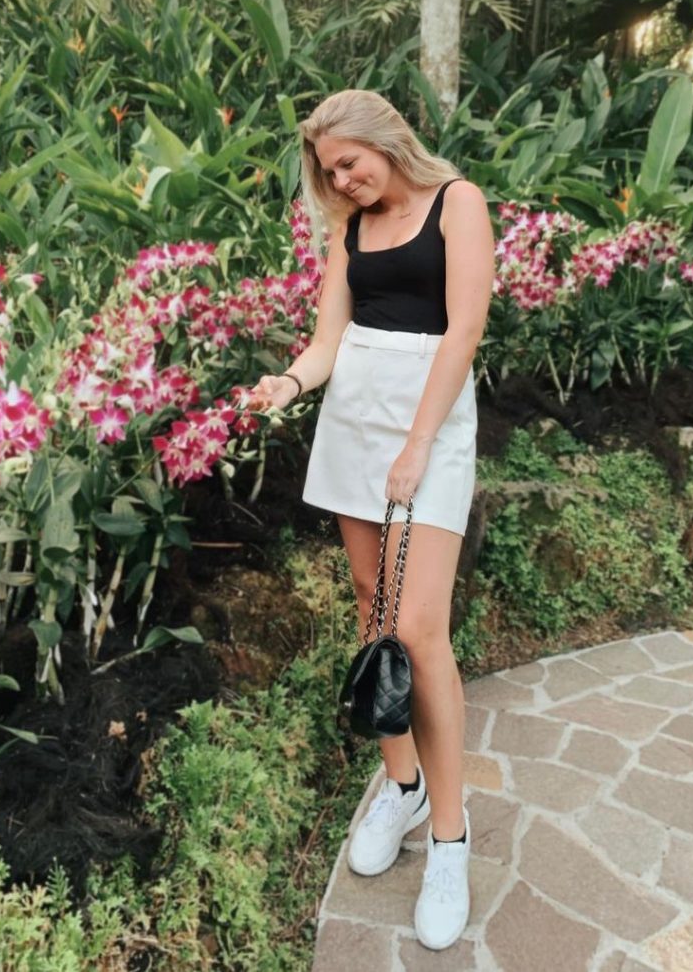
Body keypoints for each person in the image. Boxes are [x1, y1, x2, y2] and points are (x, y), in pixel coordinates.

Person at [242, 89, 495, 951]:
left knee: (420, 629)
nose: (343, 181)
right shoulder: (348, 229)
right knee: (369, 604)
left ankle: (451, 838)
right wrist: (288, 383)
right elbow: (328, 342)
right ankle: (402, 784)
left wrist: (419, 443)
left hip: (429, 419)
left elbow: (463, 332)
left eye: (349, 163)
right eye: (330, 172)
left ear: (386, 139)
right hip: (354, 414)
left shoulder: (457, 202)